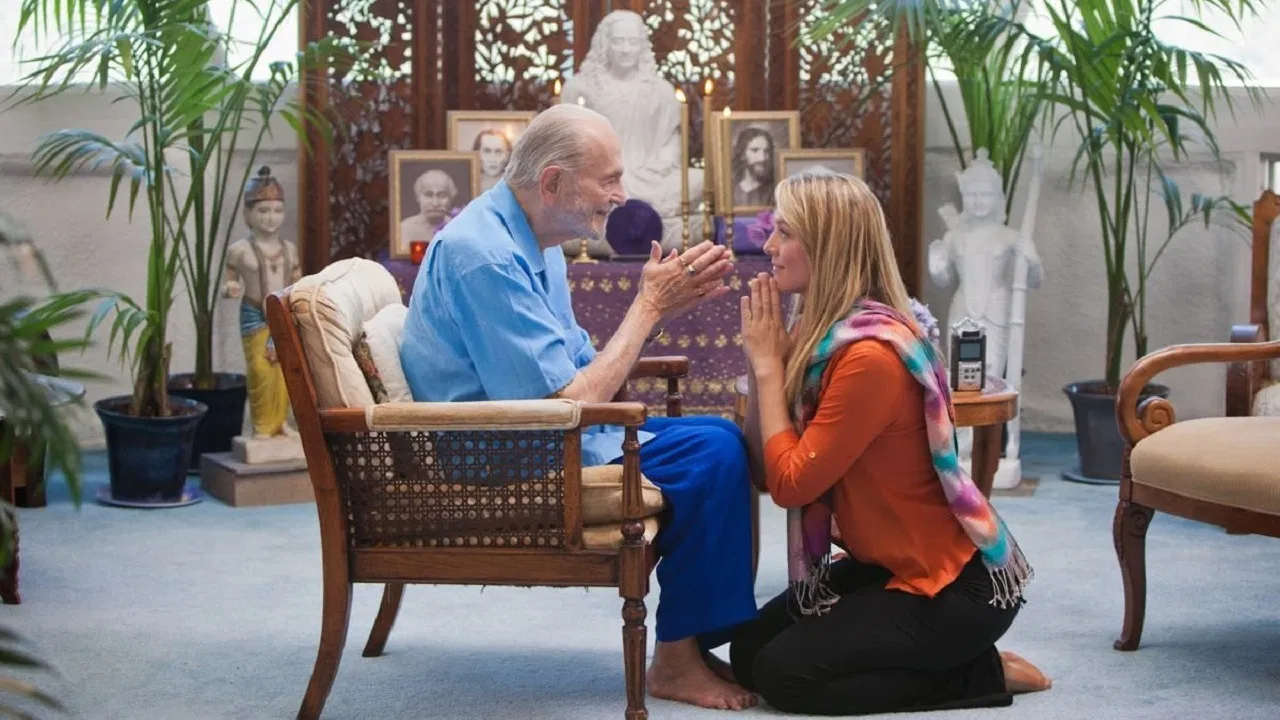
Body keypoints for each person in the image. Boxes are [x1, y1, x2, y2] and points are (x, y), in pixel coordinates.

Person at [399, 103, 759, 711]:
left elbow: (577, 367)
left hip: (556, 430)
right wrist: (646, 309)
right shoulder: (483, 254)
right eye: (608, 179)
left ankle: (689, 647)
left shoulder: (536, 240)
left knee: (723, 439)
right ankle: (676, 661)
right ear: (553, 182)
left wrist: (661, 310)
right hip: (500, 453)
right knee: (712, 457)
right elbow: (562, 404)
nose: (622, 196)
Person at [730, 170, 1052, 715]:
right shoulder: (821, 336)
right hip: (889, 564)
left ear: (826, 247)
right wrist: (768, 364)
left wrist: (767, 369)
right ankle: (936, 658)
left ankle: (978, 672)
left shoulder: (869, 357)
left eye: (784, 233)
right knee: (749, 653)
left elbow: (790, 487)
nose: (769, 247)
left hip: (957, 590)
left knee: (784, 677)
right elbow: (766, 470)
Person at [399, 168, 459, 249]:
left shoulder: (457, 229)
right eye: (428, 195)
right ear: (417, 197)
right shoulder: (404, 229)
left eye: (442, 195)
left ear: (451, 198)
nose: (435, 203)